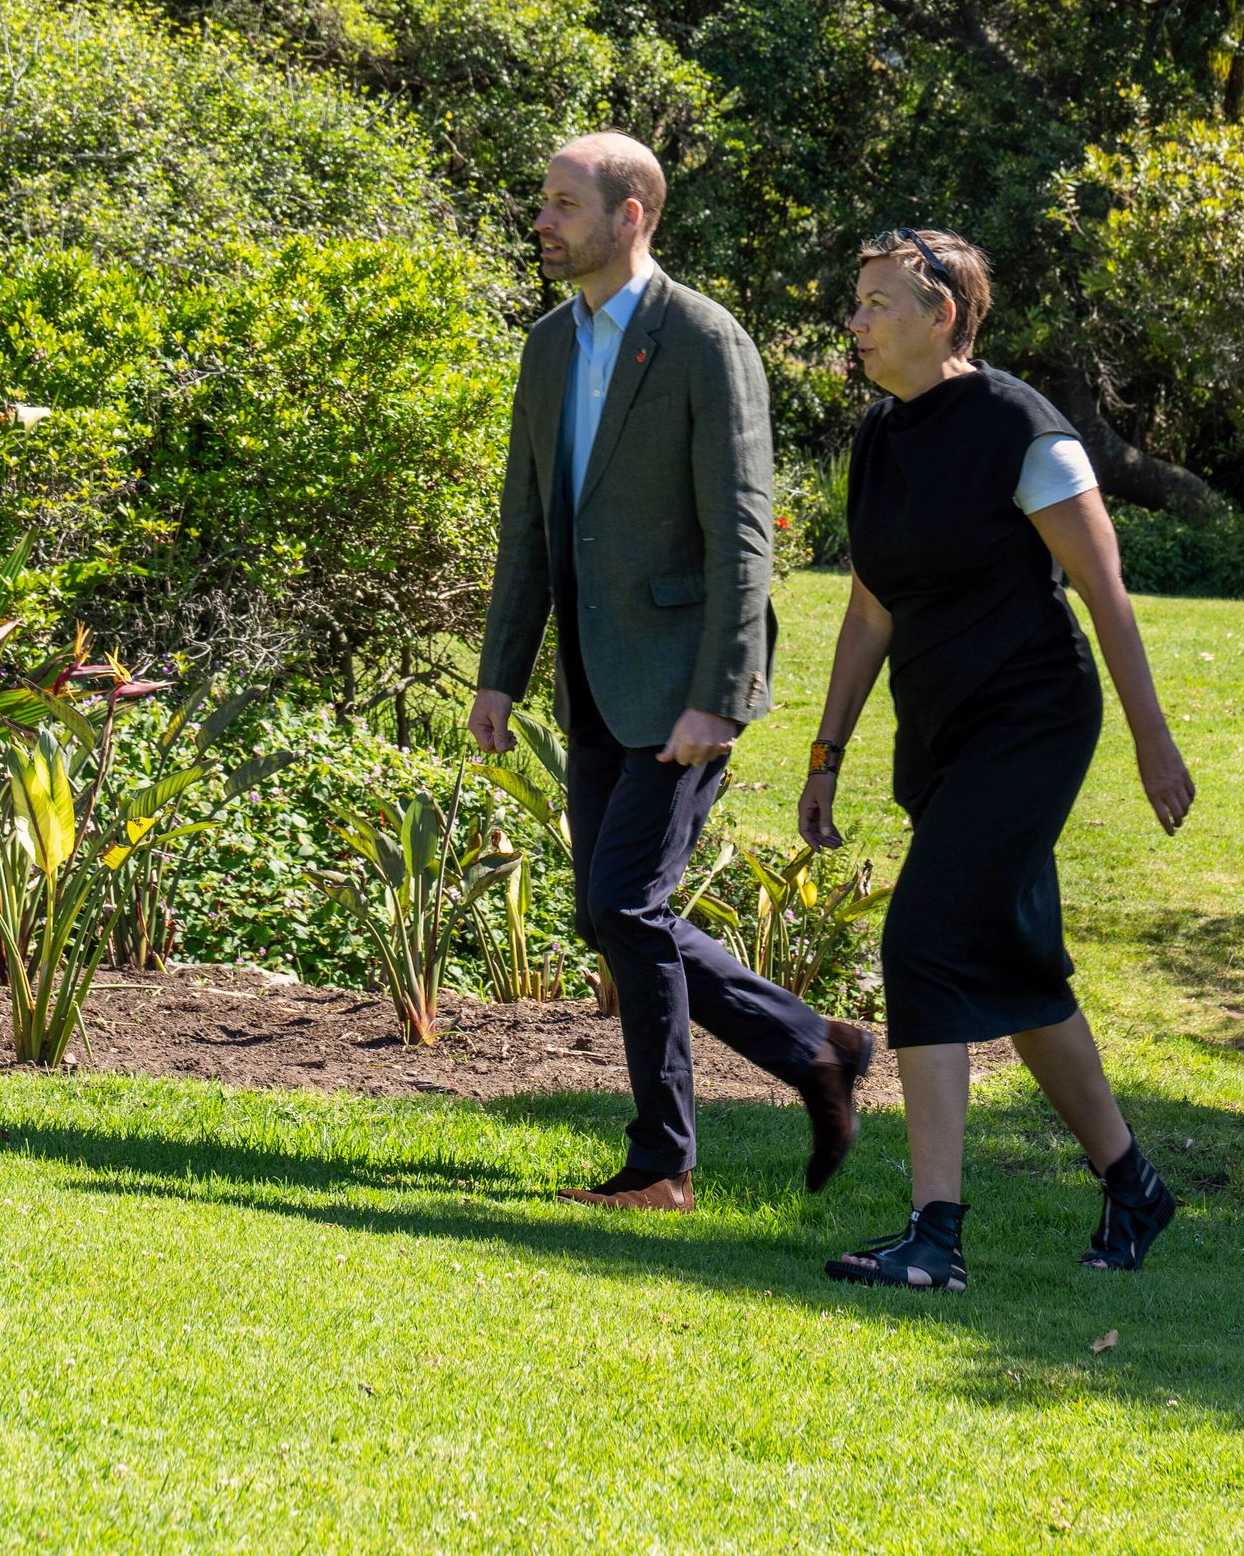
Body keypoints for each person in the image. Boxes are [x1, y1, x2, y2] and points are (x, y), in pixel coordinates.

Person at [471, 133, 876, 1210]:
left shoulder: (704, 339)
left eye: (564, 204)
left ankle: (665, 1163)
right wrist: (498, 672)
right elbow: (530, 523)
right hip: (595, 679)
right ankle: (816, 1050)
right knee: (613, 912)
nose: (544, 222)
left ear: (631, 214)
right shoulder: (549, 345)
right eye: (543, 201)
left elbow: (744, 532)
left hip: (684, 681)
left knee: (623, 904)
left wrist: (721, 690)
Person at [799, 228, 1195, 1291]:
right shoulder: (880, 440)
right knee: (1016, 968)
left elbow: (1105, 591)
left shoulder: (1024, 428)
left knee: (925, 942)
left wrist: (1153, 738)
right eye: (855, 301)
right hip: (943, 731)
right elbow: (871, 604)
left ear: (942, 316)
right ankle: (1134, 1183)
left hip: (1031, 721)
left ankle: (936, 1233)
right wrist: (826, 749)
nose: (856, 321)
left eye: (877, 302)